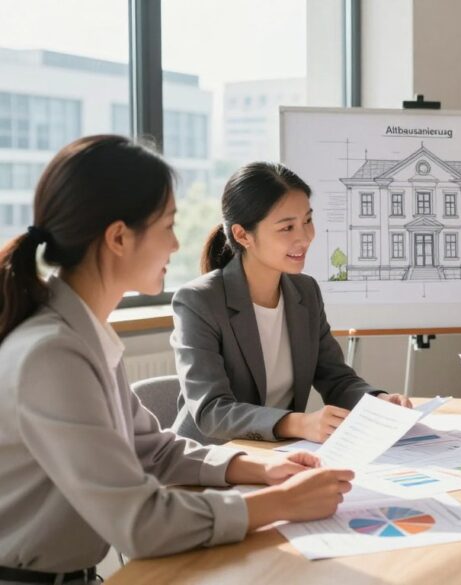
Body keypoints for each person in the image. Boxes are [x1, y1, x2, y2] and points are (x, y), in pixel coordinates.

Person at [0, 136, 354, 584]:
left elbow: (155, 448)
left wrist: (260, 469)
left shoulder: (83, 336)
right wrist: (281, 503)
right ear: (118, 237)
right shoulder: (52, 354)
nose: (175, 245)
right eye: (168, 226)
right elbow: (140, 521)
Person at [171, 162, 411, 445]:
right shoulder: (198, 301)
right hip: (209, 461)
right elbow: (212, 411)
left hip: (277, 455)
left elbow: (336, 378)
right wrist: (299, 423)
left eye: (307, 221)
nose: (305, 237)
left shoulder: (305, 291)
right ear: (242, 235)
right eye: (287, 227)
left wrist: (377, 401)